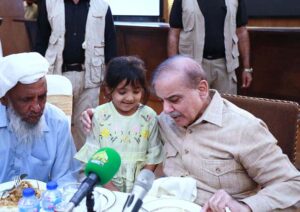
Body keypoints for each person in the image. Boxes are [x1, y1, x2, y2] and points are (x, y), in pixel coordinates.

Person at [35, 0, 117, 150]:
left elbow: (111, 46)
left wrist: (110, 82)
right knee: (55, 125)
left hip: (90, 78)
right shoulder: (49, 4)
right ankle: (54, 170)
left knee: (85, 128)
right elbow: (40, 42)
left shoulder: (102, 6)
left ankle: (82, 172)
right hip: (57, 76)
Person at [75, 56, 163, 193]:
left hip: (138, 188)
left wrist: (139, 187)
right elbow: (94, 157)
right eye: (122, 92)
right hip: (104, 187)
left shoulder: (149, 116)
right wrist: (113, 191)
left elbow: (154, 154)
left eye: (136, 91)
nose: (129, 98)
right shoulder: (99, 116)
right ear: (109, 89)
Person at [0, 52, 80, 185]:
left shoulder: (57, 122)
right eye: (27, 99)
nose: (37, 108)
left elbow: (66, 180)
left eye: (42, 97)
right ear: (4, 99)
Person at [168, 0, 252, 94]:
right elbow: (174, 34)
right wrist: (174, 69)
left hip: (226, 67)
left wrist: (247, 68)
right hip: (193, 67)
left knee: (225, 106)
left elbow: (241, 31)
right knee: (195, 107)